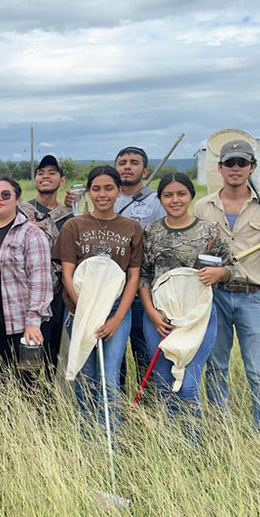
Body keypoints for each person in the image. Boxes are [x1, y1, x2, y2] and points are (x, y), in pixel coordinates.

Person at [193, 140, 260, 438]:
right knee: (215, 366)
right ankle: (221, 432)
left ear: (252, 167)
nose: (235, 169)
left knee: (259, 370)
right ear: (219, 168)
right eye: (229, 163)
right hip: (214, 296)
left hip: (252, 296)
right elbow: (198, 255)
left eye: (241, 163)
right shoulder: (203, 206)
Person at [138, 173, 233, 442]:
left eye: (181, 193)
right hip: (160, 318)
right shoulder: (152, 231)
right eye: (168, 195)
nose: (175, 200)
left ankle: (193, 444)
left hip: (198, 318)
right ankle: (170, 444)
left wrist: (219, 273)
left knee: (188, 384)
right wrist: (152, 314)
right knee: (163, 382)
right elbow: (144, 275)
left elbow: (232, 267)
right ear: (161, 199)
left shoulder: (209, 231)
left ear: (191, 196)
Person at [55, 166, 143, 428]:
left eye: (108, 188)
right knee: (86, 373)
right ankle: (87, 434)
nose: (102, 194)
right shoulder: (74, 225)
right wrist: (84, 309)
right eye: (96, 188)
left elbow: (133, 278)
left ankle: (110, 433)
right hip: (80, 308)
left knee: (109, 376)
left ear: (119, 190)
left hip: (115, 309)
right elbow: (67, 273)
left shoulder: (132, 228)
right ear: (89, 192)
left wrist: (117, 318)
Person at [0, 177, 53, 385]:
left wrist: (33, 322)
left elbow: (40, 281)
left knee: (29, 381)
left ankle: (30, 418)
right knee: (1, 378)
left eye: (6, 194)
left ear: (17, 199)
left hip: (24, 322)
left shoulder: (32, 234)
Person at [112, 146, 166, 391]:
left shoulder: (156, 202)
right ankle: (118, 401)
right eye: (122, 162)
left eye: (134, 162)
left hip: (144, 290)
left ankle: (148, 405)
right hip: (113, 290)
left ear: (145, 170)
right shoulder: (107, 197)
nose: (127, 166)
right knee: (115, 352)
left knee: (145, 350)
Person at [24, 154, 74, 380]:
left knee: (52, 347)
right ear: (34, 179)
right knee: (24, 346)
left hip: (57, 292)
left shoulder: (70, 217)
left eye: (52, 173)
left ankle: (47, 396)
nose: (45, 177)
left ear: (62, 180)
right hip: (26, 290)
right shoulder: (21, 212)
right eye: (41, 173)